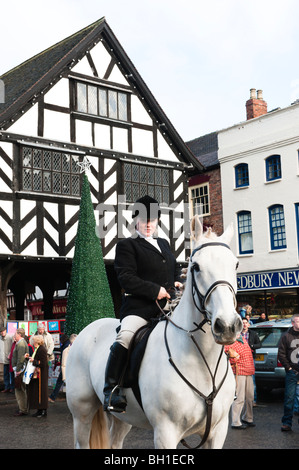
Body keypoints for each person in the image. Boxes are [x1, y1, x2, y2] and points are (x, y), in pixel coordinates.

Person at [103, 195, 183, 413]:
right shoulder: (127, 245)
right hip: (139, 308)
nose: (148, 224)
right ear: (135, 220)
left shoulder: (164, 244)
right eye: (144, 220)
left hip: (167, 308)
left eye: (153, 220)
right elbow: (126, 278)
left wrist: (177, 279)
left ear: (157, 221)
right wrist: (154, 290)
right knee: (125, 336)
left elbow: (174, 268)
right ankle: (111, 389)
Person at [224, 333, 256, 429]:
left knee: (250, 398)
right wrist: (233, 360)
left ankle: (248, 418)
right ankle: (235, 422)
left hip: (249, 371)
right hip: (239, 372)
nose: (238, 333)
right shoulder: (229, 342)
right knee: (239, 398)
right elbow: (226, 356)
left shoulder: (243, 340)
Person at [278, 313, 299, 431]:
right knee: (289, 398)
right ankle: (287, 422)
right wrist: (289, 368)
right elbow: (281, 354)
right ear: (293, 323)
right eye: (298, 321)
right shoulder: (286, 336)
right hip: (292, 372)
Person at [25, 335, 49, 418]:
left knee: (41, 393)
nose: (33, 343)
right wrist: (29, 358)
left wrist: (33, 360)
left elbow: (43, 363)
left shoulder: (42, 349)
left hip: (41, 375)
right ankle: (39, 409)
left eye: (34, 341)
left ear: (38, 342)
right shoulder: (38, 349)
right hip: (38, 375)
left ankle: (43, 410)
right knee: (38, 392)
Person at [241, 318, 261, 404]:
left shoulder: (253, 334)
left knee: (251, 380)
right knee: (240, 381)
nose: (244, 324)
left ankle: (253, 400)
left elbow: (259, 344)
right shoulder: (237, 334)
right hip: (239, 359)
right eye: (243, 323)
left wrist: (251, 346)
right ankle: (241, 400)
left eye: (246, 323)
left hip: (250, 358)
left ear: (249, 324)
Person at [11, 328, 29, 416]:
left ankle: (23, 409)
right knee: (20, 389)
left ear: (20, 335)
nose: (14, 335)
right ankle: (23, 408)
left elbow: (20, 358)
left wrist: (17, 370)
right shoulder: (20, 343)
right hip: (20, 370)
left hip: (20, 371)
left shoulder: (21, 343)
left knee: (20, 390)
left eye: (16, 334)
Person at [48, 334, 70, 403]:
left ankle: (53, 397)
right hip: (68, 367)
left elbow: (64, 358)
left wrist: (61, 367)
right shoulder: (68, 344)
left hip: (65, 367)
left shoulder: (65, 346)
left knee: (59, 382)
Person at [0, 326, 14, 393]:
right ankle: (7, 387)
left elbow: (13, 346)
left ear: (6, 331)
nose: (2, 333)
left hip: (10, 359)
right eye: (1, 332)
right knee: (5, 374)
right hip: (3, 359)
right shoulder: (0, 338)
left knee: (11, 374)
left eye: (3, 331)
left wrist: (10, 354)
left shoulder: (10, 337)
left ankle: (12, 387)